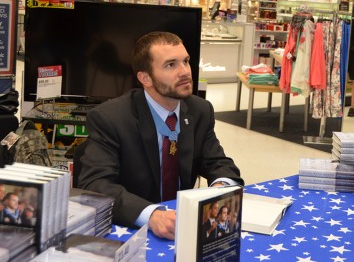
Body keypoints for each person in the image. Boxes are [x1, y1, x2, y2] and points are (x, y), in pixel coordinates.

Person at [78, 31, 243, 240]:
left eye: (186, 61)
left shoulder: (200, 110)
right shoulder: (111, 118)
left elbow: (218, 162)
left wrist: (220, 189)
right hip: (134, 230)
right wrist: (152, 215)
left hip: (186, 227)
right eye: (170, 65)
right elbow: (95, 184)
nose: (184, 72)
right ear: (145, 78)